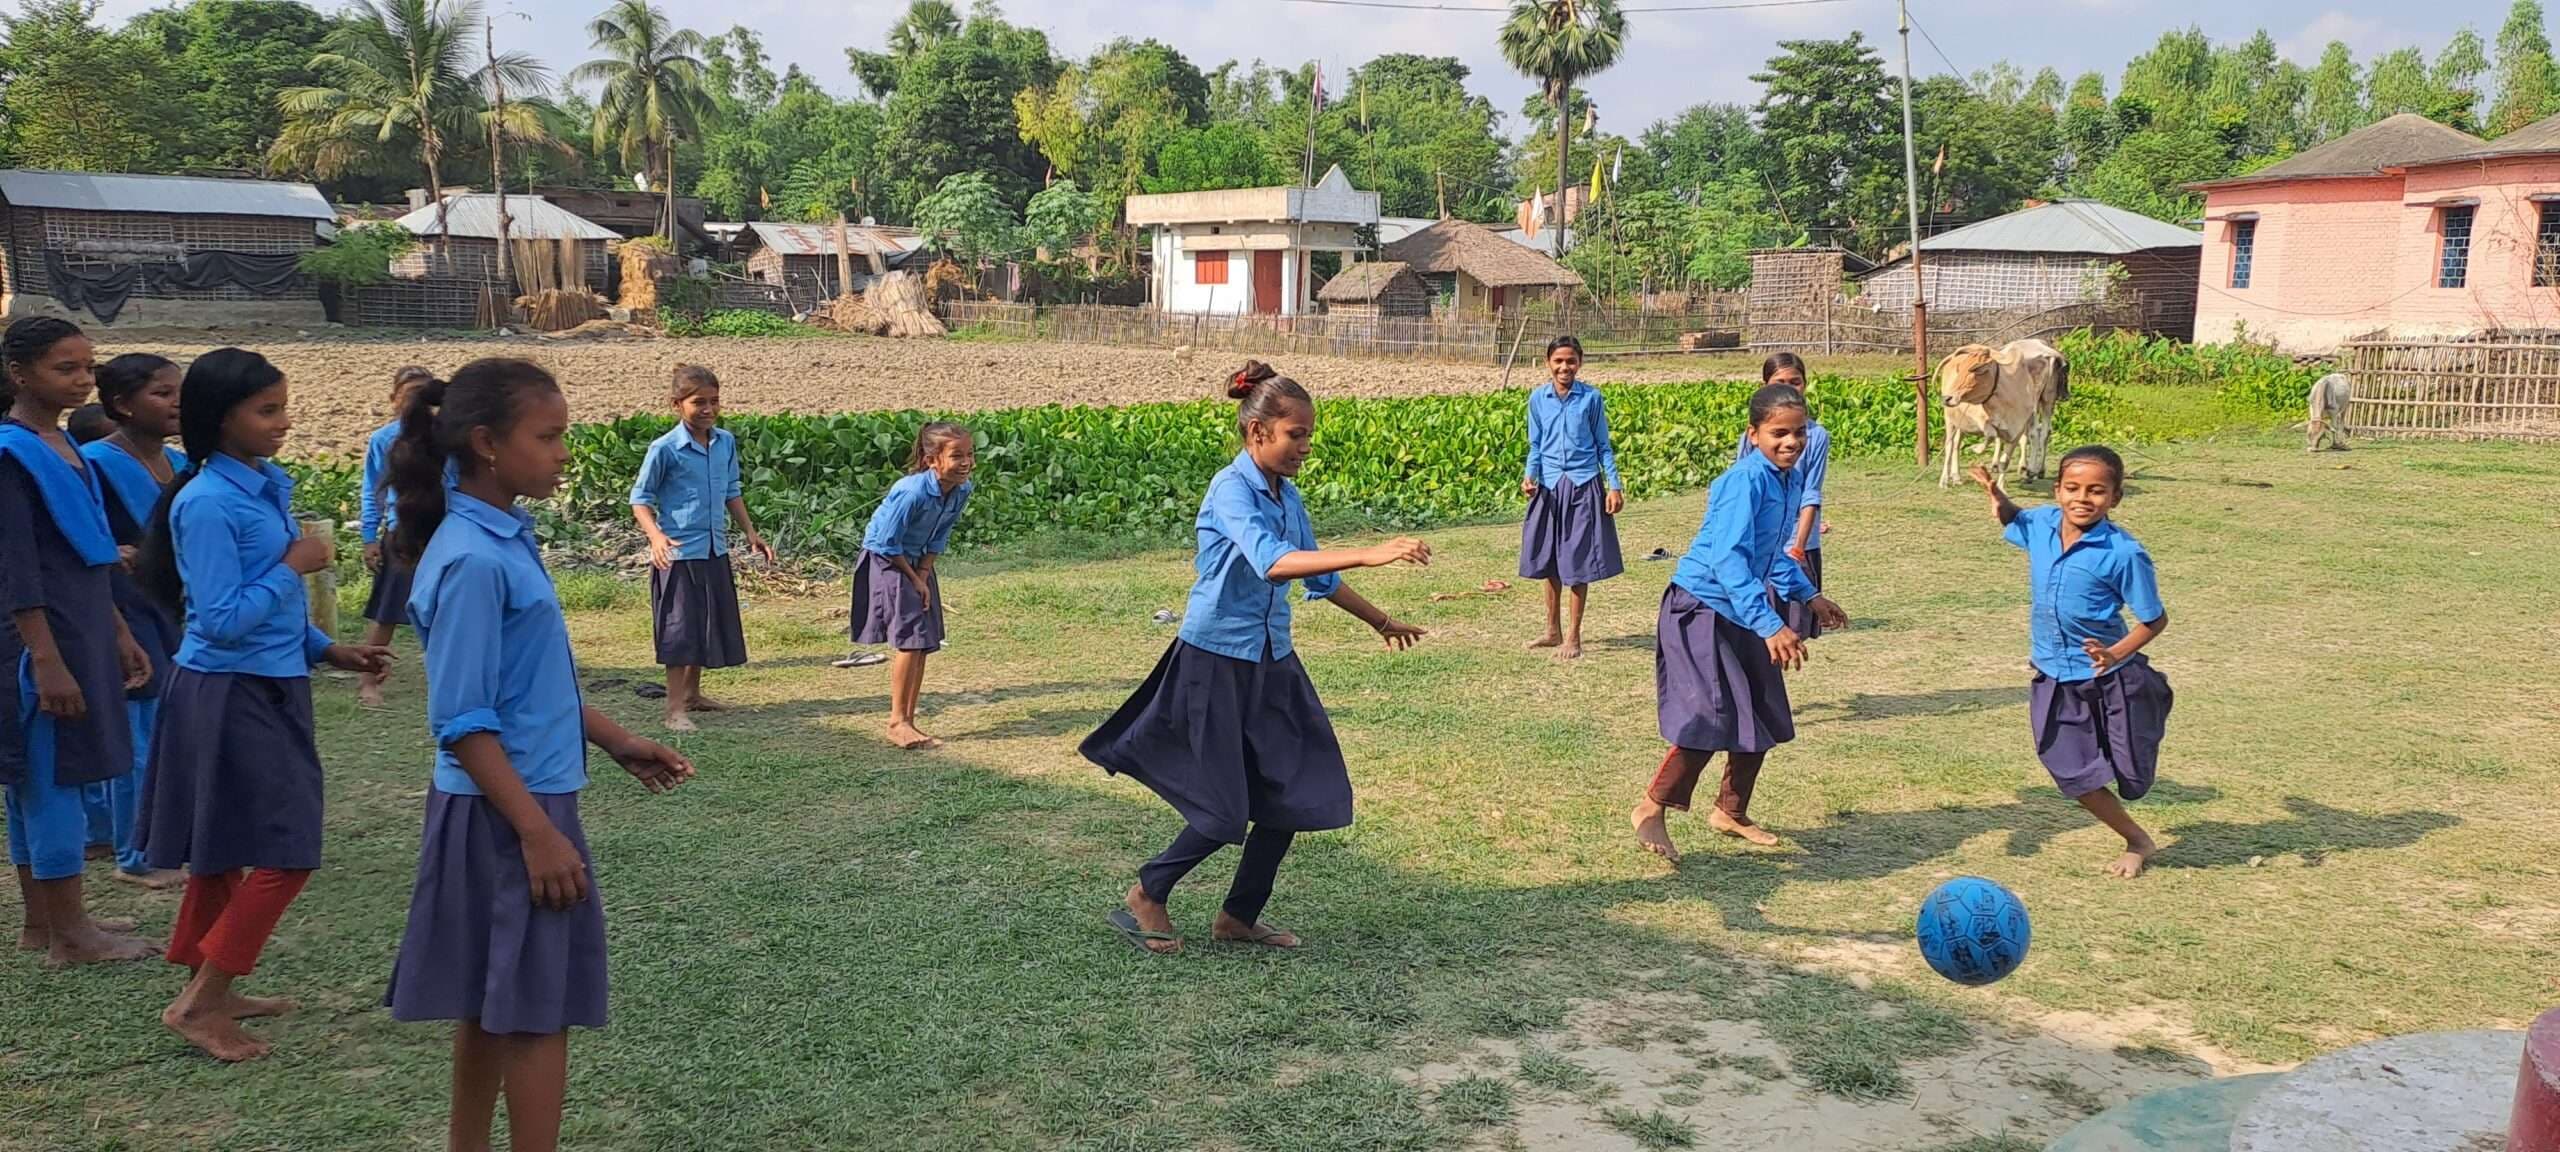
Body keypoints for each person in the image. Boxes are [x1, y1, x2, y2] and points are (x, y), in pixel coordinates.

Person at [382, 358, 693, 1152]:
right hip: (507, 810)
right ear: (487, 443)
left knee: (496, 1003)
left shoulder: (501, 538)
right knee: (534, 1012)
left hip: (513, 802)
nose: (563, 453)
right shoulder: (473, 560)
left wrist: (616, 739)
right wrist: (537, 832)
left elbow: (530, 685)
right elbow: (462, 719)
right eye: (548, 436)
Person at [1081, 361, 1431, 956]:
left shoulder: (1287, 495)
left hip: (1272, 659)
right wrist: (1370, 552)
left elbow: (1313, 575)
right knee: (1224, 804)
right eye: (1295, 435)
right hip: (1214, 658)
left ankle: (1238, 916)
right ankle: (1149, 890)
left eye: (1308, 435)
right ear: (1257, 433)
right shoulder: (1230, 489)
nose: (1304, 447)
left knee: (1296, 787)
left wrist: (1380, 620)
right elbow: (1272, 561)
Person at [137, 348, 394, 1062]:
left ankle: (209, 986)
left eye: (283, 406)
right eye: (268, 411)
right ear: (223, 421)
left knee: (223, 848)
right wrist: (291, 565)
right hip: (227, 690)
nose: (285, 422)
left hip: (271, 679)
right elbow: (218, 618)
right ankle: (198, 1004)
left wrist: (325, 649)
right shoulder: (209, 502)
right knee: (288, 849)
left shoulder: (261, 483)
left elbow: (260, 607)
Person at [1633, 384, 1848, 864]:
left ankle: (1730, 810)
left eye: (1799, 433)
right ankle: (1651, 807)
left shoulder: (1787, 480)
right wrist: (1771, 625)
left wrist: (1809, 597)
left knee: (1763, 708)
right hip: (1702, 608)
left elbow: (1770, 556)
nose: (1790, 442)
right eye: (1778, 433)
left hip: (1742, 609)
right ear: (1753, 435)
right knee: (1712, 714)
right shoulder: (1743, 482)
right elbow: (1730, 561)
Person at [0, 317, 156, 967]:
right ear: (20, 373)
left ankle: (46, 921)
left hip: (81, 624)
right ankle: (73, 934)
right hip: (41, 638)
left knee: (43, 778)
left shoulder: (62, 445)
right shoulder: (12, 454)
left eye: (88, 367)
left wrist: (119, 631)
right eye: (66, 368)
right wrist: (45, 657)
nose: (83, 380)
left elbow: (86, 554)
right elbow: (16, 567)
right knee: (48, 777)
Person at [1972, 448, 2172, 879]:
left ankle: (2149, 705)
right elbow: (2015, 521)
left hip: (2112, 677)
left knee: (2132, 774)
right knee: (2070, 768)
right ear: (2057, 490)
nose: (2083, 498)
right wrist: (1999, 497)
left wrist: (2115, 653)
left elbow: (2155, 619)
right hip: (2053, 673)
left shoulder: (2123, 553)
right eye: (2073, 488)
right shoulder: (2042, 523)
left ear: (2115, 498)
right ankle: (2137, 839)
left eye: (2097, 491)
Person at [77, 352, 189, 890]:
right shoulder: (94, 462)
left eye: (179, 392)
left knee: (162, 723)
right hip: (121, 607)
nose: (176, 404)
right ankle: (135, 849)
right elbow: (82, 537)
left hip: (167, 605)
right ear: (122, 405)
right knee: (139, 727)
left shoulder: (177, 463)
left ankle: (125, 834)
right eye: (162, 394)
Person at [629, 365, 772, 731]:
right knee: (680, 630)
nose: (708, 409)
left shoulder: (725, 442)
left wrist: (750, 533)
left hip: (713, 549)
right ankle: (674, 710)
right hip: (678, 553)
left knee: (705, 624)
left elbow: (732, 491)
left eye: (714, 401)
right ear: (677, 404)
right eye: (698, 403)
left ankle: (693, 694)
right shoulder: (664, 449)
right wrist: (656, 537)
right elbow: (640, 500)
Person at [849, 421, 975, 750]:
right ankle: (897, 721)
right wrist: (915, 579)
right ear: (932, 459)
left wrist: (925, 574)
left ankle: (909, 717)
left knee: (923, 640)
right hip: (888, 560)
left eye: (970, 455)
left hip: (918, 563)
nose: (966, 463)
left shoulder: (962, 490)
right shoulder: (912, 491)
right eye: (957, 456)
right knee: (910, 639)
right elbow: (888, 543)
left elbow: (941, 534)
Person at [1519, 335, 1624, 660]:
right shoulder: (1538, 399)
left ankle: (1574, 637)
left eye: (1571, 361)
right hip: (1549, 486)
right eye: (1558, 361)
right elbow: (1536, 445)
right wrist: (1529, 476)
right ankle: (1552, 631)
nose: (1565, 367)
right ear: (1548, 363)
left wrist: (1614, 485)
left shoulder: (1591, 399)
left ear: (1579, 363)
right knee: (1549, 559)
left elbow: (1603, 446)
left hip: (1583, 484)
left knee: (1577, 562)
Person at [356, 366, 437, 708]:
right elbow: (371, 492)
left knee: (446, 611)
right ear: (393, 400)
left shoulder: (446, 437)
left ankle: (447, 682)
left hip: (439, 531)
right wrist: (369, 537)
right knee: (386, 613)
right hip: (401, 533)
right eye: (408, 395)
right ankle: (368, 684)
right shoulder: (383, 440)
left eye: (423, 394)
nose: (414, 402)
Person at [1737, 352, 1832, 640]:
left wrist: (1799, 547)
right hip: (1757, 552)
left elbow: (1810, 495)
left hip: (1790, 547)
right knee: (1762, 631)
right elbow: (1730, 551)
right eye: (1781, 382)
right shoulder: (1742, 476)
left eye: (1796, 382)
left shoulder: (1814, 441)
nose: (1790, 443)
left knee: (1791, 632)